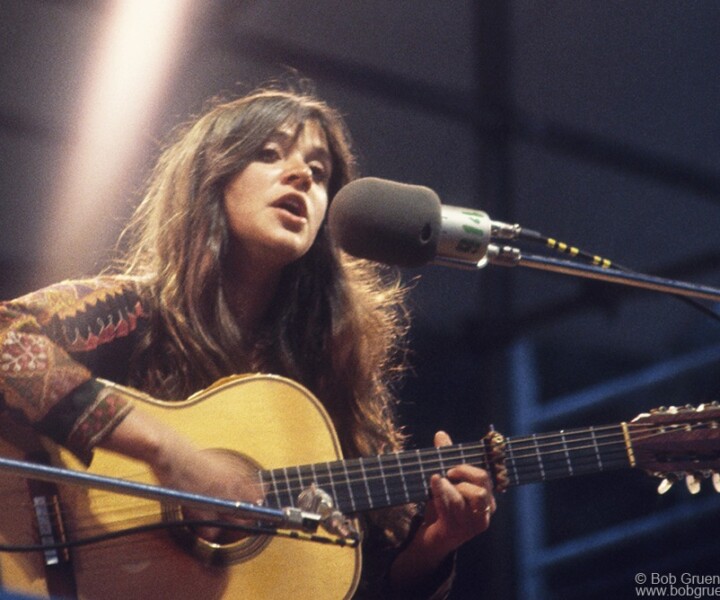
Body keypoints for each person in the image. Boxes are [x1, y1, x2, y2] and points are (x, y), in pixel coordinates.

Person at [0, 87, 495, 598]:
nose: (303, 176)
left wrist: (434, 548)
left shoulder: (327, 384)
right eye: (269, 153)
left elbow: (345, 585)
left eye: (320, 173)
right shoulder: (133, 311)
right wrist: (168, 451)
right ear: (213, 179)